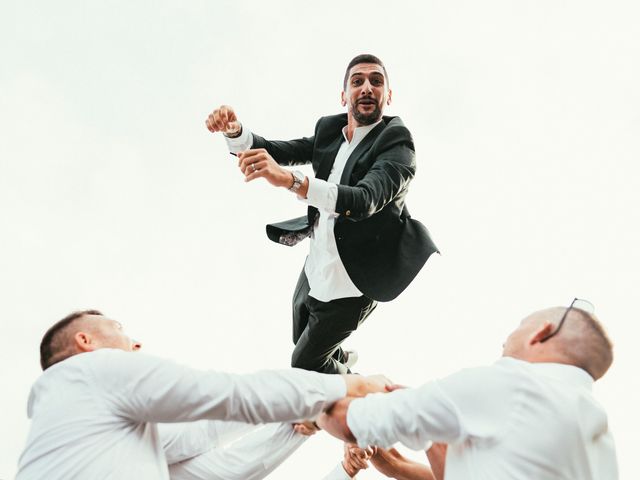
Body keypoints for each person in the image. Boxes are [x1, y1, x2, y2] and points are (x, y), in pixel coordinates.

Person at [205, 54, 438, 374]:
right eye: (357, 81)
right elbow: (276, 150)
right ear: (345, 96)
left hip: (356, 278)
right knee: (299, 333)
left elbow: (366, 199)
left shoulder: (398, 143)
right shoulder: (330, 133)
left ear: (389, 95)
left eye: (376, 81)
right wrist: (235, 132)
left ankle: (355, 385)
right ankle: (341, 358)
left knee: (304, 363)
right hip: (320, 259)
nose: (367, 87)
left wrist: (292, 181)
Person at [16, 310, 390, 479]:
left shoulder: (93, 427)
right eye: (119, 328)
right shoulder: (93, 370)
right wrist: (342, 387)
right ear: (86, 340)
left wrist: (296, 423)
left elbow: (222, 466)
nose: (136, 341)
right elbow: (227, 396)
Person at [318, 299, 619, 480]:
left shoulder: (514, 385)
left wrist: (360, 397)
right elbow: (408, 467)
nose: (505, 341)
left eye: (519, 325)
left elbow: (344, 418)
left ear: (540, 334)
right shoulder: (596, 443)